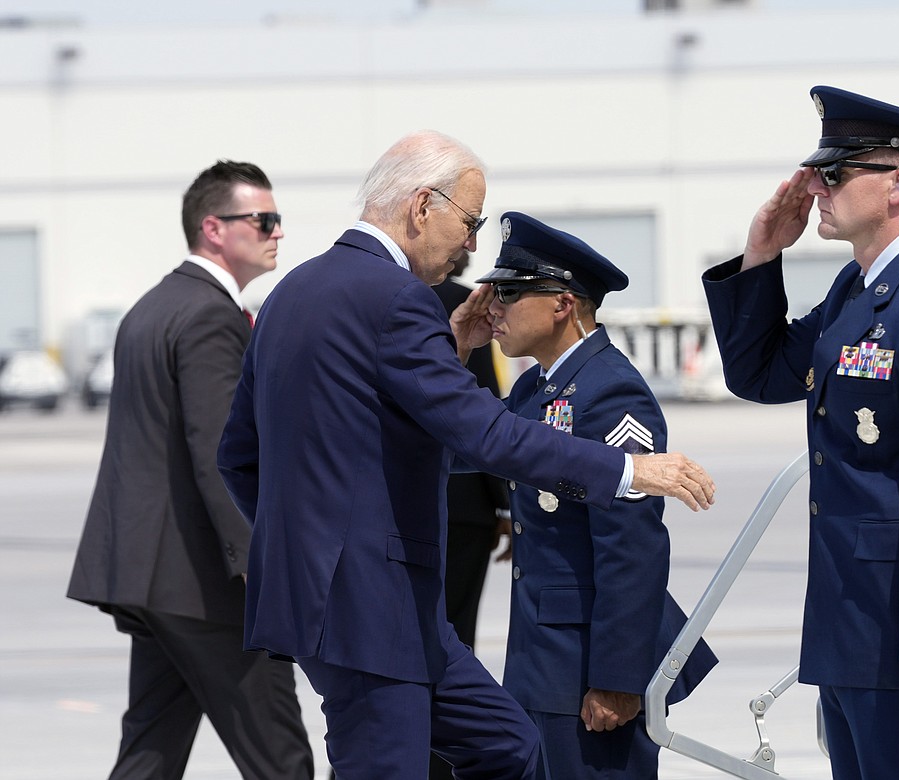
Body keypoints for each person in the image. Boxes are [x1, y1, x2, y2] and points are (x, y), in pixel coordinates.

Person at [215, 130, 716, 779]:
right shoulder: (396, 299)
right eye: (470, 222)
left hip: (365, 606)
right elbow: (486, 435)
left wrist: (301, 551)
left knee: (508, 746)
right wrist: (627, 470)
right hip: (371, 604)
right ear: (423, 205)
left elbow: (240, 457)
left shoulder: (289, 294)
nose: (473, 246)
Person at [702, 86, 899, 780]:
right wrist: (761, 256)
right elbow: (761, 374)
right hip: (851, 630)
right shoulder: (857, 289)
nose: (815, 188)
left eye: (835, 174)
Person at [66, 161, 314, 779]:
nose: (277, 232)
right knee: (280, 756)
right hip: (205, 587)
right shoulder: (209, 316)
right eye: (264, 219)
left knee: (151, 748)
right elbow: (219, 456)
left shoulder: (152, 307)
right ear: (214, 228)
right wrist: (260, 567)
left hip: (150, 578)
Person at [474, 212, 717, 779]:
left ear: (563, 304)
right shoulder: (538, 385)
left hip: (589, 667)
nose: (493, 308)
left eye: (508, 293)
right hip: (545, 658)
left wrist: (618, 678)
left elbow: (631, 545)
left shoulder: (611, 392)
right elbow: (468, 446)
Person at [428, 255, 512, 780]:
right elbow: (481, 406)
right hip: (461, 506)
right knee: (454, 640)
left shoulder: (376, 297)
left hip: (393, 507)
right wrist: (502, 503)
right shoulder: (463, 304)